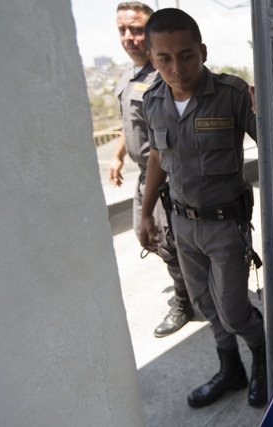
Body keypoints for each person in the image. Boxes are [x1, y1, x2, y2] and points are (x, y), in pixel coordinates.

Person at [138, 8, 266, 408]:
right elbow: (157, 157)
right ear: (152, 58)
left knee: (234, 310)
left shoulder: (231, 95)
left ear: (203, 52)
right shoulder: (153, 100)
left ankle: (264, 358)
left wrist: (267, 113)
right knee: (206, 305)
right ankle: (231, 370)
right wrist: (145, 212)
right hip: (182, 223)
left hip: (225, 224)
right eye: (164, 58)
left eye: (186, 55)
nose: (177, 68)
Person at [109, 2, 196, 338]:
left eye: (137, 29)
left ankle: (184, 301)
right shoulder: (127, 77)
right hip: (143, 174)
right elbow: (129, 122)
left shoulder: (165, 75)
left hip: (166, 174)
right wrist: (118, 156)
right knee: (147, 234)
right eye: (123, 29)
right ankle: (189, 290)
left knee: (166, 241)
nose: (129, 37)